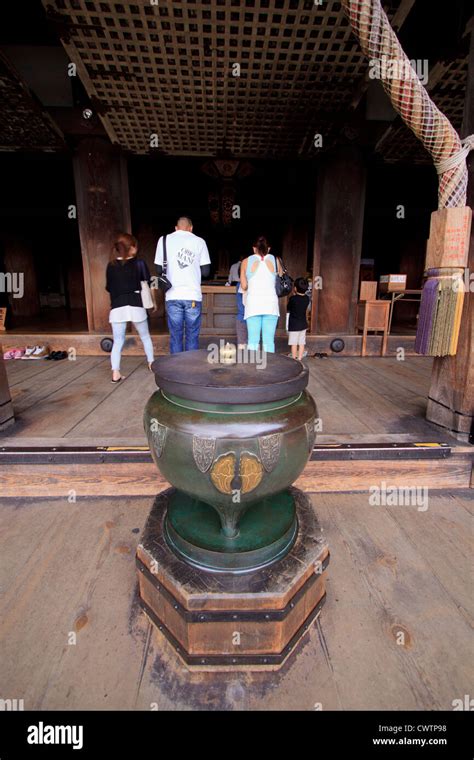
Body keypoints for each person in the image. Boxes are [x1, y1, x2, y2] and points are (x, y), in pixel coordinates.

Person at [155, 216, 211, 353]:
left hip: (173, 295)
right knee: (192, 336)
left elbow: (157, 270)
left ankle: (176, 370)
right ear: (191, 228)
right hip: (192, 296)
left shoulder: (164, 240)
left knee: (175, 336)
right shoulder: (199, 241)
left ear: (176, 228)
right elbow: (206, 272)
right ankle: (190, 369)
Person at [106, 232, 156, 383]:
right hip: (136, 304)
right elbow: (148, 284)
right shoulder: (139, 264)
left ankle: (115, 373)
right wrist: (154, 302)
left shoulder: (111, 265)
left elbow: (109, 288)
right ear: (131, 248)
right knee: (145, 336)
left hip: (117, 307)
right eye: (135, 245)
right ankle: (151, 363)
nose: (136, 248)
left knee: (118, 341)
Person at [240, 235, 282, 353]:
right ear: (268, 249)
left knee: (253, 341)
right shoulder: (276, 260)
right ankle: (270, 368)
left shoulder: (246, 261)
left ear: (254, 249)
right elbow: (279, 280)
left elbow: (244, 286)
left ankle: (252, 369)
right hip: (271, 305)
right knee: (269, 342)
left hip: (253, 305)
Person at [287, 277, 310, 360]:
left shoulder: (293, 299)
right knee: (301, 343)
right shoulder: (307, 298)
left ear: (295, 288)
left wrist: (293, 296)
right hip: (303, 324)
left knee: (294, 344)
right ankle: (300, 358)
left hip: (294, 325)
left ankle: (294, 358)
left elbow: (289, 308)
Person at [227, 255, 247, 348]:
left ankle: (241, 343)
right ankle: (248, 343)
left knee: (241, 312)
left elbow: (230, 278)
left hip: (237, 283)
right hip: (245, 283)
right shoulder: (247, 264)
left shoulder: (234, 266)